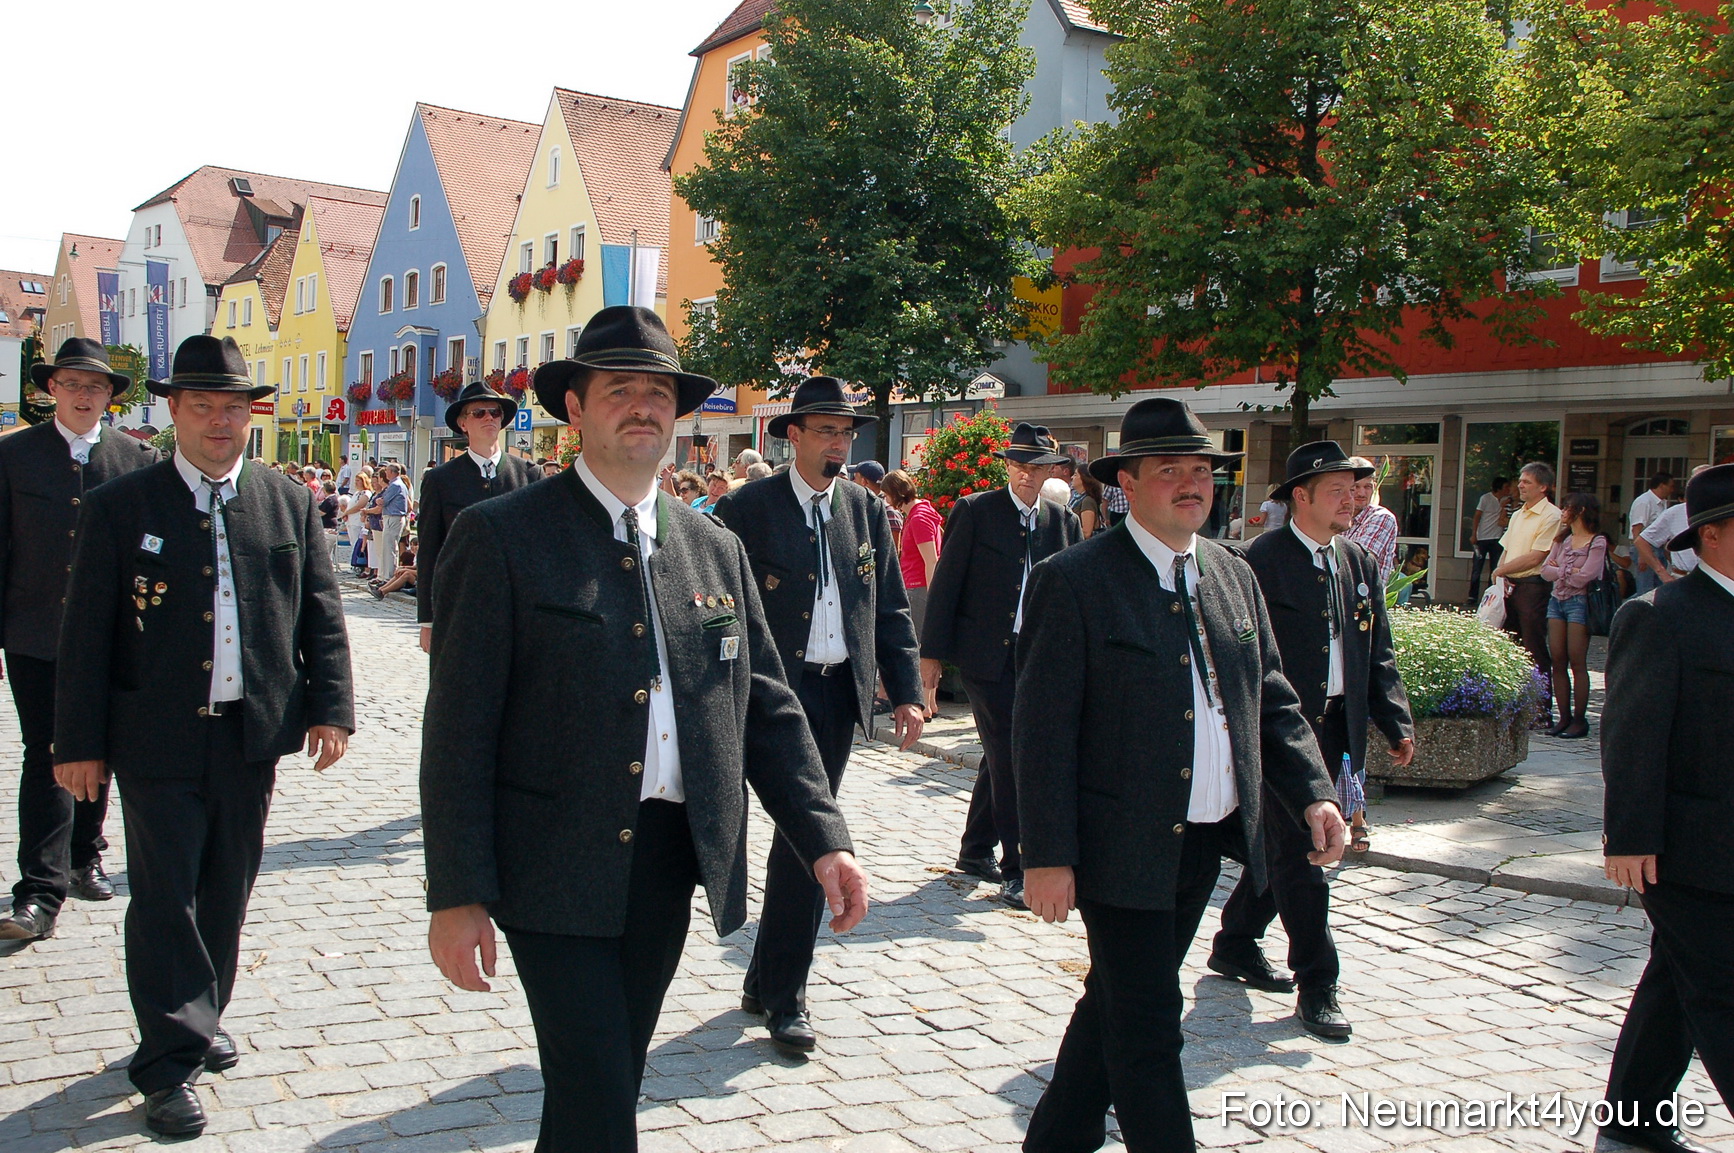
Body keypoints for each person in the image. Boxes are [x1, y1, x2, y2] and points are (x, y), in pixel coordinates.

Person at [420, 306, 868, 1152]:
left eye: (658, 391)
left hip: (667, 858)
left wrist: (824, 837)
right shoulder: (501, 535)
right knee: (595, 1081)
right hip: (551, 859)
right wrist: (456, 889)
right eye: (618, 389)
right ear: (575, 409)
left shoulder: (712, 545)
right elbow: (457, 730)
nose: (642, 406)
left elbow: (766, 705)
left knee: (607, 1081)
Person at [1013, 397, 1345, 1153]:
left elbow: (1272, 698)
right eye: (1171, 470)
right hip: (1118, 846)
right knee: (1151, 1034)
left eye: (1203, 470)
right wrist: (1047, 854)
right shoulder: (1076, 580)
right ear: (1128, 481)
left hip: (1202, 843)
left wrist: (1315, 794)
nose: (1193, 483)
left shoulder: (1232, 569)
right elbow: (1042, 734)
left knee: (1116, 1009)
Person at [52, 335, 353, 1137]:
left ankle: (200, 1007)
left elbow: (320, 610)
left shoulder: (286, 500)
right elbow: (83, 635)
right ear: (172, 411)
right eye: (202, 406)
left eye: (233, 407)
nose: (221, 422)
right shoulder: (123, 504)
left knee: (227, 886)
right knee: (163, 897)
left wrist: (332, 705)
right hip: (153, 737)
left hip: (251, 733)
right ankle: (166, 1060)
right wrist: (74, 742)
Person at [713, 377, 923, 1055]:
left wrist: (908, 687)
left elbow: (887, 604)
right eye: (826, 431)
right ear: (793, 435)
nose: (838, 443)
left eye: (846, 433)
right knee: (759, 831)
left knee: (810, 837)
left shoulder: (864, 509)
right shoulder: (748, 508)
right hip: (764, 693)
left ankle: (784, 989)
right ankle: (771, 977)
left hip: (835, 696)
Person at [1208, 441, 1414, 1041]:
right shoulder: (1258, 563)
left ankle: (1237, 940)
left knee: (1290, 846)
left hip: (1339, 731)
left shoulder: (1357, 562)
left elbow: (1377, 650)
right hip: (1279, 733)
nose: (1352, 497)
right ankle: (1318, 980)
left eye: (1355, 488)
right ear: (1300, 496)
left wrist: (1393, 717)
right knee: (1307, 852)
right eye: (1337, 489)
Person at [0, 339, 160, 944]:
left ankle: (85, 853)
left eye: (95, 387)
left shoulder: (135, 460)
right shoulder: (14, 457)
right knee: (46, 753)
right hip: (35, 630)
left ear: (110, 397)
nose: (83, 395)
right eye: (72, 384)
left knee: (102, 745)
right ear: (51, 391)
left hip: (114, 635)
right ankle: (38, 891)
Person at [1600, 462, 1734, 1153]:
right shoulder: (1659, 616)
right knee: (1721, 989)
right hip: (1687, 850)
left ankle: (1632, 1114)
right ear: (1711, 536)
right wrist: (1629, 837)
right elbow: (1632, 733)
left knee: (1673, 980)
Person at [920, 423, 1082, 906]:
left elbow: (1072, 596)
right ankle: (1018, 865)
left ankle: (974, 850)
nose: (1027, 476)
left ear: (1049, 470)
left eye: (1036, 467)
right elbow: (946, 585)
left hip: (1038, 658)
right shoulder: (976, 510)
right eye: (1018, 466)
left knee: (1001, 755)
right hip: (985, 657)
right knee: (1015, 754)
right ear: (1006, 466)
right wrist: (930, 659)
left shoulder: (1062, 522)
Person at [415, 381, 539, 654]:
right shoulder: (440, 480)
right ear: (463, 423)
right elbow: (429, 550)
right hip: (459, 607)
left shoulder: (529, 474)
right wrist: (428, 620)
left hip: (516, 609)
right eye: (479, 412)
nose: (489, 418)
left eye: (494, 413)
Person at [1492, 462, 1562, 729]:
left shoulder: (1551, 516)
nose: (1520, 485)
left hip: (1533, 586)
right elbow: (1507, 549)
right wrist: (1500, 577)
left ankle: (1541, 710)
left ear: (1542, 487)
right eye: (1520, 481)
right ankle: (1514, 706)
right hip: (1512, 585)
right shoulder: (1519, 513)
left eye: (1527, 482)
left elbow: (1537, 555)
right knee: (1509, 648)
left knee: (1534, 648)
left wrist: (1501, 570)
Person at [1541, 493, 1607, 740]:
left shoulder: (1597, 541)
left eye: (1567, 508)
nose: (1563, 512)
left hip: (1580, 603)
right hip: (1557, 601)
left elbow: (1587, 575)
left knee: (1577, 661)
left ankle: (1580, 720)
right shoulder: (1562, 540)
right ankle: (1564, 718)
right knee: (1557, 659)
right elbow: (1546, 571)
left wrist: (1562, 571)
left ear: (1579, 510)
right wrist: (1569, 570)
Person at [881, 469, 942, 720]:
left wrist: (934, 596)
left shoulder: (918, 517)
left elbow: (932, 560)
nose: (885, 500)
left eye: (886, 495)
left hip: (919, 587)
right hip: (918, 586)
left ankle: (922, 705)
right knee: (923, 646)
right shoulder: (920, 513)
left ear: (897, 493)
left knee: (915, 646)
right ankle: (930, 704)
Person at [1638, 465, 1710, 584]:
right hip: (1681, 579)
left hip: (1714, 582)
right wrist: (1662, 573)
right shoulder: (1675, 512)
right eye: (1696, 482)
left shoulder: (1725, 514)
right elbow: (1642, 541)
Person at [1343, 458, 1399, 586]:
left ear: (1374, 487)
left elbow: (1356, 562)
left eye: (1367, 487)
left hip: (1364, 603)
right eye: (1356, 487)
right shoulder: (1338, 516)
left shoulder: (1381, 518)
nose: (1362, 493)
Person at [1466, 475, 1513, 603]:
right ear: (1499, 488)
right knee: (1477, 568)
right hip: (1482, 537)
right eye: (1505, 487)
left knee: (1495, 568)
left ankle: (1490, 597)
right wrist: (1474, 534)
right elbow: (1477, 516)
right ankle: (1472, 596)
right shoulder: (1485, 498)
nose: (1508, 489)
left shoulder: (1506, 500)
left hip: (1497, 538)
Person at [1628, 470, 1674, 596]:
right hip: (1645, 547)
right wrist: (1643, 554)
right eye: (1670, 486)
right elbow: (1636, 529)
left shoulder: (1663, 503)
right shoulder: (1644, 501)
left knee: (1658, 588)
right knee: (1645, 588)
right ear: (1661, 485)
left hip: (1658, 548)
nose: (1672, 490)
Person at [369, 464, 410, 584]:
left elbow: (384, 500)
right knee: (388, 548)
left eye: (387, 471)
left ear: (392, 472)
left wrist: (379, 501)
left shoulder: (396, 485)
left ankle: (388, 577)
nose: (385, 474)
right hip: (391, 517)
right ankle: (386, 576)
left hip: (394, 517)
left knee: (389, 548)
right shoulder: (396, 484)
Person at [1070, 466, 1105, 538]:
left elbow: (1086, 533)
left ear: (1084, 478)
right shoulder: (1076, 498)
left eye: (1075, 475)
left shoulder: (1087, 501)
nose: (1072, 477)